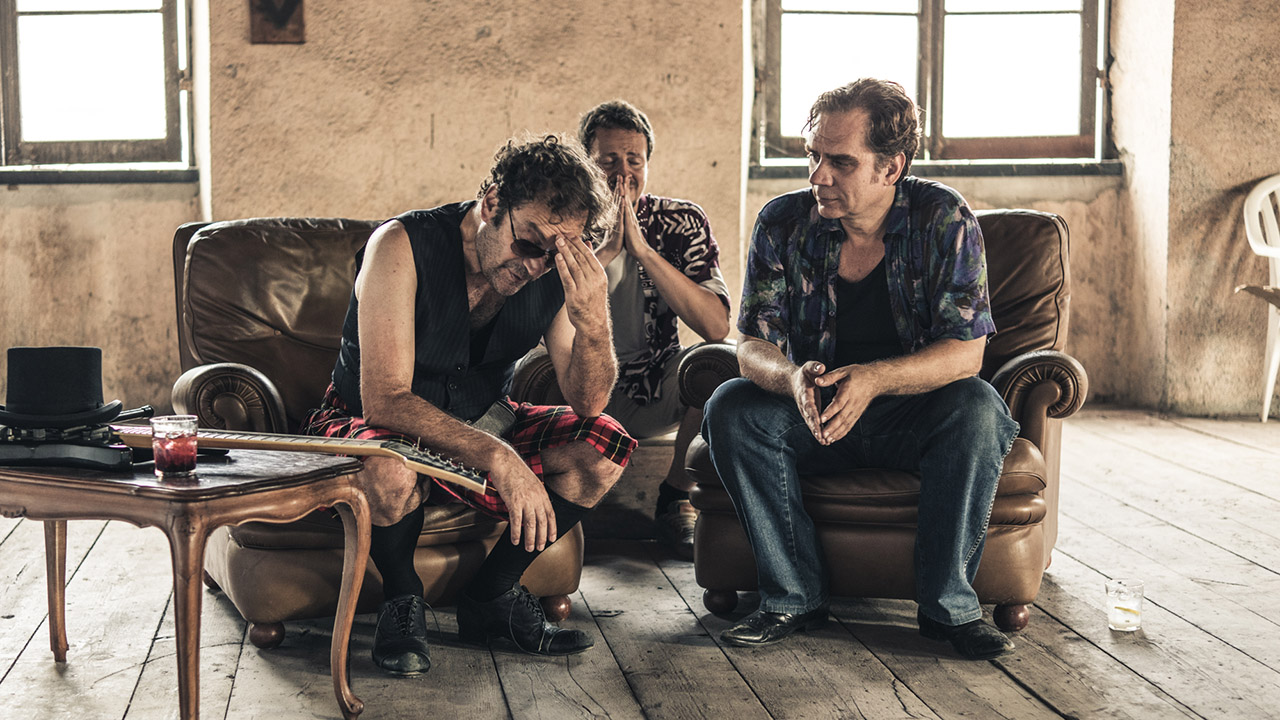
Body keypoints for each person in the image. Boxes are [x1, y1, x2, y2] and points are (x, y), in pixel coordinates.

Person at [701, 78, 1020, 660]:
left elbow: (966, 353)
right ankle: (792, 597)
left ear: (892, 167)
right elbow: (751, 344)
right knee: (731, 406)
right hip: (814, 415)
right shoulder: (781, 222)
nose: (818, 175)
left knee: (979, 407)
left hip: (911, 417)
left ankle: (948, 610)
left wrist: (873, 379)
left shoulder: (944, 219)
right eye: (813, 156)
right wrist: (791, 379)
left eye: (840, 162)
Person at [302, 135, 637, 676]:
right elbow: (384, 400)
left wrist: (594, 322)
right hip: (368, 423)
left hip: (482, 420)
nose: (535, 266)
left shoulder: (548, 272)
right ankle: (402, 600)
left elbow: (588, 401)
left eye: (554, 255)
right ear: (492, 203)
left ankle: (491, 597)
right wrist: (500, 458)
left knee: (602, 445)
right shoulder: (400, 245)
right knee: (388, 467)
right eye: (527, 243)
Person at [577, 100, 732, 559]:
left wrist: (644, 251)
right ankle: (563, 506)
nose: (622, 174)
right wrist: (607, 250)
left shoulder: (681, 221)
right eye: (608, 161)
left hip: (653, 386)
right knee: (534, 365)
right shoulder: (564, 220)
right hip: (578, 385)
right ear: (586, 163)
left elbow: (716, 324)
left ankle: (675, 497)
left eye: (634, 160)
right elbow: (538, 318)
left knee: (722, 363)